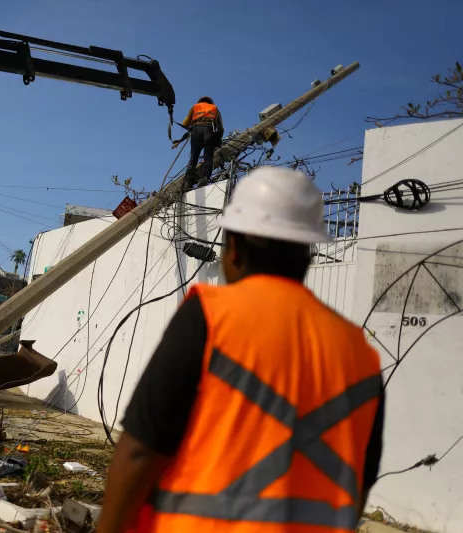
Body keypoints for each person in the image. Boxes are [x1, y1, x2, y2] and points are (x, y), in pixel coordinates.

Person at [98, 167, 385, 533]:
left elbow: (141, 450)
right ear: (308, 253)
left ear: (233, 248)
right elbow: (360, 485)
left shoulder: (211, 315)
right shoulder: (360, 352)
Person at [173, 96, 224, 188]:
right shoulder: (215, 108)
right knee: (208, 157)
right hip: (209, 131)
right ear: (210, 102)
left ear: (200, 102)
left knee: (193, 157)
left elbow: (185, 123)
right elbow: (221, 128)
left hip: (196, 131)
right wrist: (218, 139)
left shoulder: (195, 107)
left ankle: (188, 181)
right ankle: (205, 177)